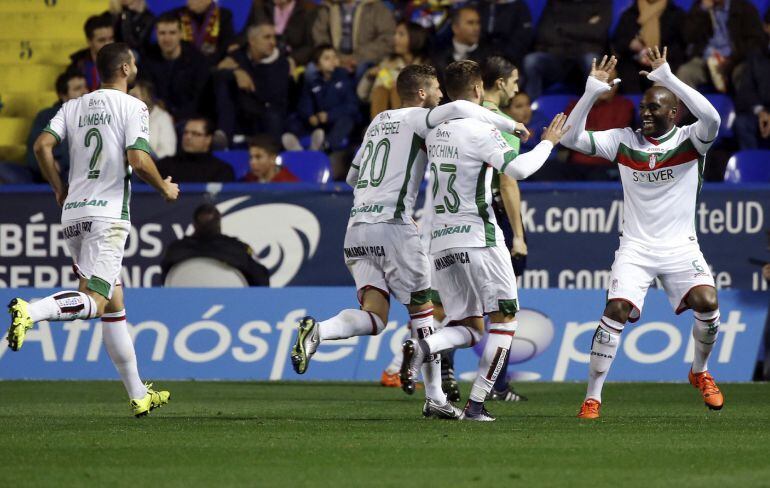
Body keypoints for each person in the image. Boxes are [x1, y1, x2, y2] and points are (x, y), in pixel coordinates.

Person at [290, 64, 529, 419]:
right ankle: (434, 397)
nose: (440, 96)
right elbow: (463, 107)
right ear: (421, 93)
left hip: (357, 226)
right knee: (423, 314)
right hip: (394, 226)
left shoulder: (377, 121)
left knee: (374, 316)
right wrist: (513, 126)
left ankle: (318, 332)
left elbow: (354, 176)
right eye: (435, 90)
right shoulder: (422, 118)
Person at [8, 42, 179, 416]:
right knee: (96, 301)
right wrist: (165, 187)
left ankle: (138, 394)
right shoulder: (134, 106)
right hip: (107, 216)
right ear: (125, 69)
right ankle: (30, 312)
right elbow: (138, 157)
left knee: (114, 305)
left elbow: (41, 146)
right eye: (133, 61)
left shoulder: (73, 106)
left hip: (73, 213)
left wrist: (58, 188)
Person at [399, 60, 568, 421]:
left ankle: (423, 345)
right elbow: (518, 170)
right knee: (505, 319)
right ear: (478, 91)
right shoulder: (479, 130)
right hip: (480, 236)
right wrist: (549, 143)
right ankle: (476, 405)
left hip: (441, 240)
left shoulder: (436, 130)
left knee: (470, 328)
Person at [561, 49, 724, 419]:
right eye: (643, 108)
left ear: (673, 113)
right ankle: (592, 397)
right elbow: (570, 138)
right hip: (635, 247)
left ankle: (699, 372)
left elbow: (712, 117)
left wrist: (667, 77)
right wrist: (591, 91)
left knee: (707, 302)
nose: (645, 113)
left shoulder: (691, 141)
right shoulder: (623, 140)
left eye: (654, 108)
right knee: (615, 309)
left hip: (681, 247)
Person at [215, 21, 291, 143]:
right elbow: (214, 73)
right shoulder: (237, 55)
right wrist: (236, 72)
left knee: (273, 115)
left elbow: (268, 97)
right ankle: (223, 137)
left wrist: (244, 78)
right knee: (223, 83)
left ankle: (271, 151)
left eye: (274, 37)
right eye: (267, 37)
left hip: (266, 115)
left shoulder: (282, 64)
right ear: (252, 41)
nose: (273, 42)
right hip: (241, 112)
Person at [161, 203, 270, 286]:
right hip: (233, 307)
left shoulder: (175, 250)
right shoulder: (238, 249)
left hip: (182, 307)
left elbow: (165, 282)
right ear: (219, 224)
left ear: (194, 225)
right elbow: (262, 281)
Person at [522, 0, 611, 100]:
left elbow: (598, 32)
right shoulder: (556, 3)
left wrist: (561, 29)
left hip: (584, 54)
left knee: (591, 61)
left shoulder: (601, 3)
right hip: (558, 56)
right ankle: (531, 110)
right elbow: (543, 33)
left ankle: (591, 109)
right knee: (531, 61)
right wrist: (585, 27)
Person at [563, 66, 635, 180]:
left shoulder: (625, 105)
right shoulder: (576, 105)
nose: (607, 85)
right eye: (602, 80)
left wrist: (584, 134)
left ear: (617, 86)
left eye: (612, 81)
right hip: (576, 164)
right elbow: (566, 135)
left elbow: (614, 138)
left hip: (607, 164)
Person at [678, 0, 765, 92]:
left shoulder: (745, 8)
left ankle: (749, 106)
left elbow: (755, 42)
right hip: (706, 62)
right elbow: (688, 37)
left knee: (744, 74)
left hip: (736, 61)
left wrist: (732, 59)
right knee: (685, 72)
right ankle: (688, 106)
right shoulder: (700, 8)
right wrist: (701, 11)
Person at [284, 45, 358, 152]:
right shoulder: (313, 81)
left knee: (346, 121)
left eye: (334, 57)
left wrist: (330, 115)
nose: (332, 61)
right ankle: (299, 146)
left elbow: (352, 106)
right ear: (317, 65)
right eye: (327, 58)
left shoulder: (344, 77)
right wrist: (309, 115)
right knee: (294, 119)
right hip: (320, 121)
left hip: (337, 118)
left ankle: (325, 146)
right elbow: (305, 101)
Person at [139, 13, 210, 122]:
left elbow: (199, 99)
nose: (167, 38)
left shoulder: (197, 60)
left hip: (189, 119)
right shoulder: (148, 59)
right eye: (162, 33)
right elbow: (147, 94)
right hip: (157, 118)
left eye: (172, 33)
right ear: (156, 35)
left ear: (181, 34)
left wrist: (177, 117)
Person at [357, 21, 430, 119]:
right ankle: (379, 130)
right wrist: (369, 77)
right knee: (381, 90)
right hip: (386, 113)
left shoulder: (426, 66)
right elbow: (363, 96)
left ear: (414, 37)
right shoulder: (387, 63)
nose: (395, 38)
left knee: (398, 89)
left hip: (417, 116)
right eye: (395, 34)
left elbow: (430, 97)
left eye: (401, 34)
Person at [612, 0, 686, 93]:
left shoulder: (675, 13)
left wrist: (656, 58)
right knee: (626, 74)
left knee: (666, 75)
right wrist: (631, 45)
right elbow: (618, 43)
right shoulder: (631, 13)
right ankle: (632, 106)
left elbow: (681, 46)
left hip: (665, 61)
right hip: (633, 60)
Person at [26, 72, 88, 182]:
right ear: (63, 96)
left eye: (85, 87)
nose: (85, 92)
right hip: (50, 172)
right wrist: (48, 165)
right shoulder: (46, 116)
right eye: (78, 88)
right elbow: (33, 152)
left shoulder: (95, 115)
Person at [312, 0, 396, 79]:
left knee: (361, 69)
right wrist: (334, 59)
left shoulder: (376, 7)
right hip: (334, 57)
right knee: (311, 71)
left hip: (364, 58)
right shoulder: (328, 6)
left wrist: (357, 58)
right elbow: (320, 36)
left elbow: (387, 39)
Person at [156, 118, 235, 182]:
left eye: (195, 134)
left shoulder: (221, 170)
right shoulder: (164, 166)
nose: (188, 137)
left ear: (208, 139)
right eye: (186, 132)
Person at [243, 0, 318, 67]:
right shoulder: (260, 5)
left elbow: (310, 46)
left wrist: (293, 59)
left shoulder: (309, 9)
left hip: (290, 59)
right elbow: (246, 34)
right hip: (261, 57)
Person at [170, 0, 236, 65]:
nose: (190, 1)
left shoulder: (224, 15)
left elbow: (226, 44)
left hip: (213, 65)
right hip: (184, 66)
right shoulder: (176, 15)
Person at [431, 6, 487, 78]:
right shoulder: (438, 55)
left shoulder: (488, 56)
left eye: (478, 23)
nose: (476, 28)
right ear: (455, 28)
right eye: (470, 23)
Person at [477, 0, 534, 67]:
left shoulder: (519, 8)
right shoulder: (481, 6)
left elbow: (522, 40)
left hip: (508, 60)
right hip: (481, 56)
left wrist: (501, 57)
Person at [129, 80, 176, 159]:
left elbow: (168, 152)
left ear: (147, 98)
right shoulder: (125, 118)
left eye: (134, 96)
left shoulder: (162, 117)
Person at [68, 13, 115, 91]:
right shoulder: (78, 66)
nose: (108, 44)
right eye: (102, 40)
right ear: (89, 41)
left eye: (111, 38)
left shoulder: (123, 62)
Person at [734, 48, 770, 149]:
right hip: (760, 112)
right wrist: (761, 111)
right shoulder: (756, 56)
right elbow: (746, 89)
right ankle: (752, 163)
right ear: (766, 30)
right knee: (742, 123)